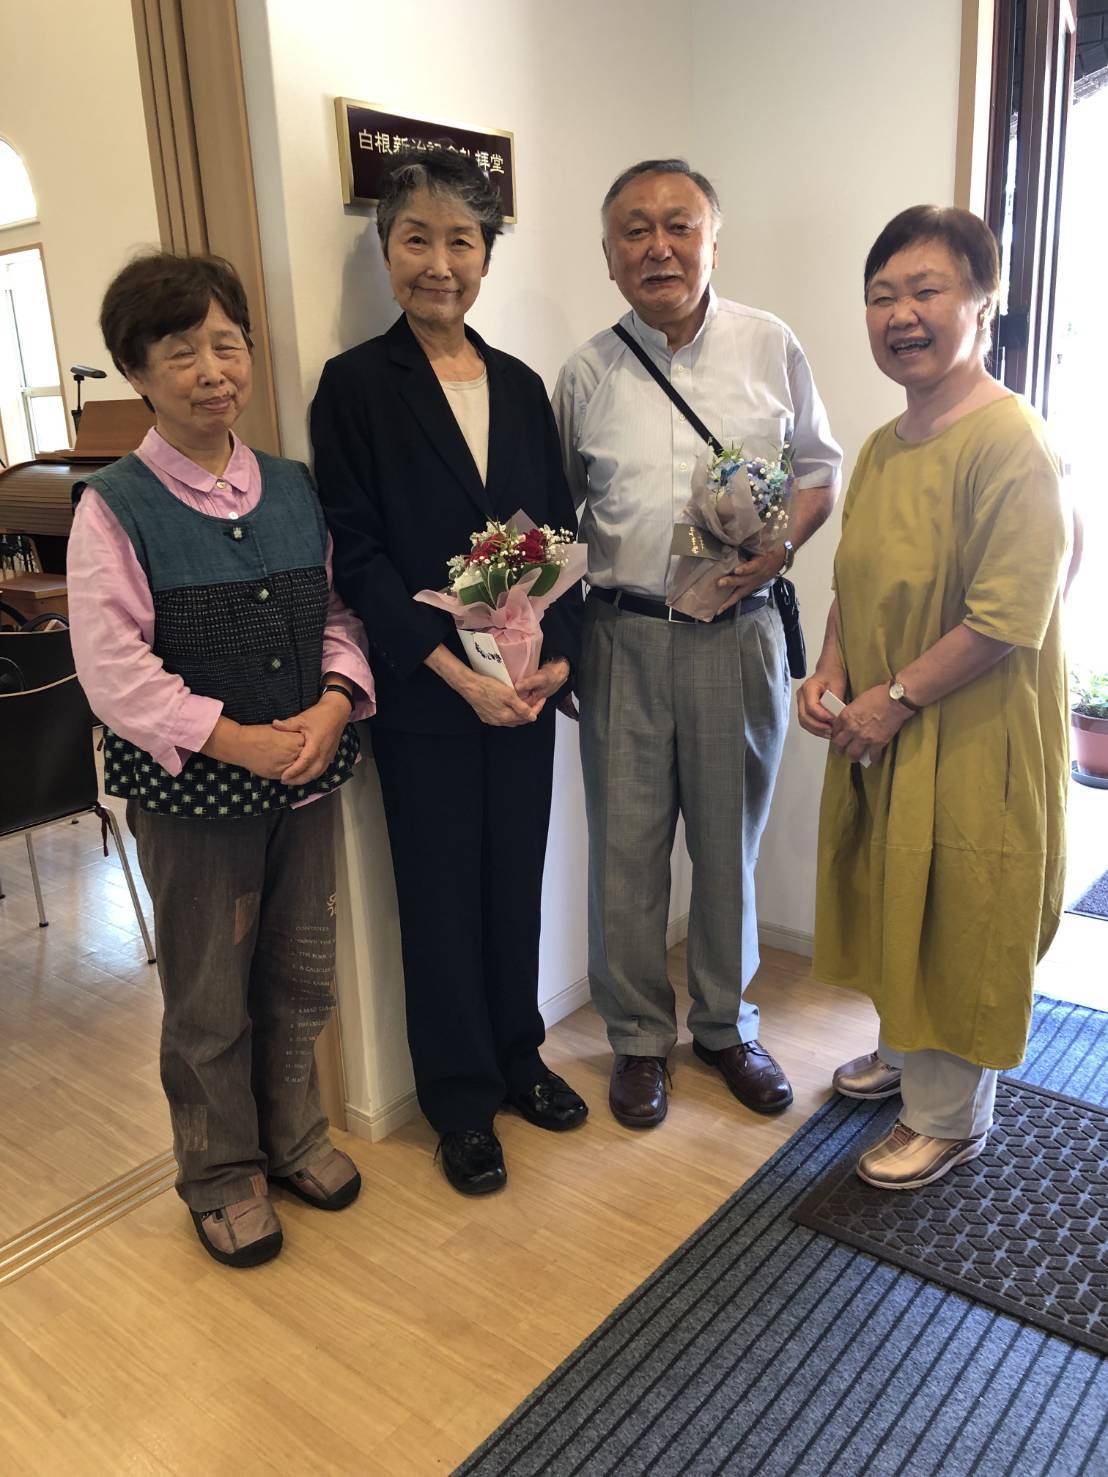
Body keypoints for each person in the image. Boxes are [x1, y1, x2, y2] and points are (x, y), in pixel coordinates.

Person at [67, 252, 375, 1267]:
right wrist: (236, 739)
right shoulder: (114, 505)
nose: (212, 370)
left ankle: (293, 1138)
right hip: (193, 800)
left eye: (227, 344)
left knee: (301, 972)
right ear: (136, 371)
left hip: (306, 778)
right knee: (207, 997)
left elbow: (337, 614)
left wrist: (334, 703)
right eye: (180, 351)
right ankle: (218, 1171)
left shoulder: (290, 486)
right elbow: (114, 672)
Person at [310, 149, 587, 1196]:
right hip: (427, 697)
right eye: (415, 239)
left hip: (522, 691)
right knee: (436, 897)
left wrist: (555, 661)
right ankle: (461, 1101)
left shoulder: (519, 384)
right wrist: (453, 673)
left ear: (486, 255)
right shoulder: (354, 386)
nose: (439, 262)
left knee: (515, 880)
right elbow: (357, 554)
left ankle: (521, 1058)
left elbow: (556, 534)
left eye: (460, 240)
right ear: (386, 251)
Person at [554, 159, 841, 1128]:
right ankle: (638, 1038)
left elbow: (819, 471)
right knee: (625, 856)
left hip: (736, 633)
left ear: (714, 240)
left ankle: (724, 1026)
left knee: (728, 847)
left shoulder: (770, 344)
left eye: (679, 225)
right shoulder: (585, 372)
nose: (658, 247)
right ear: (608, 256)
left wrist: (779, 549)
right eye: (634, 230)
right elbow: (559, 515)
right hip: (622, 635)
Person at [798, 205, 1068, 1190]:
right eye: (882, 295)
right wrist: (831, 672)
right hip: (887, 720)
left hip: (973, 728)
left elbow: (1007, 615)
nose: (900, 315)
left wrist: (896, 697)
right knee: (893, 884)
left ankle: (950, 1114)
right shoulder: (882, 444)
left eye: (926, 290)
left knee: (962, 906)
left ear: (983, 302)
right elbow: (855, 580)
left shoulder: (1012, 441)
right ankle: (906, 1051)